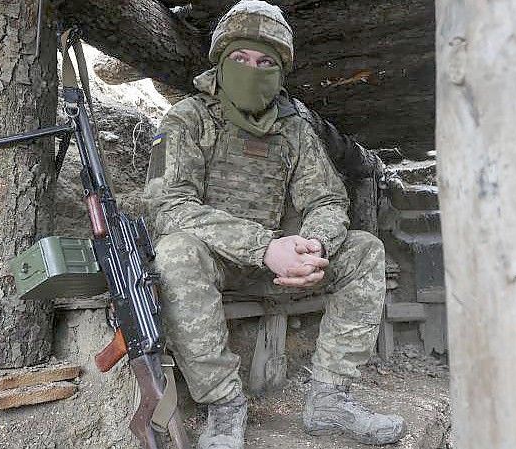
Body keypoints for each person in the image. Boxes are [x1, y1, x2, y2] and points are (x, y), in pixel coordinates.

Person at [144, 1, 405, 447]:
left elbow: (326, 198)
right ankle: (224, 407)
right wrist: (264, 247)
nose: (252, 69)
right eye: (240, 59)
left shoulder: (295, 129)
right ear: (221, 62)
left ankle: (329, 400)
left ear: (281, 71)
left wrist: (315, 245)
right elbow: (167, 204)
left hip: (285, 267)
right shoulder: (188, 119)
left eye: (265, 62)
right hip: (219, 263)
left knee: (364, 249)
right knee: (175, 253)